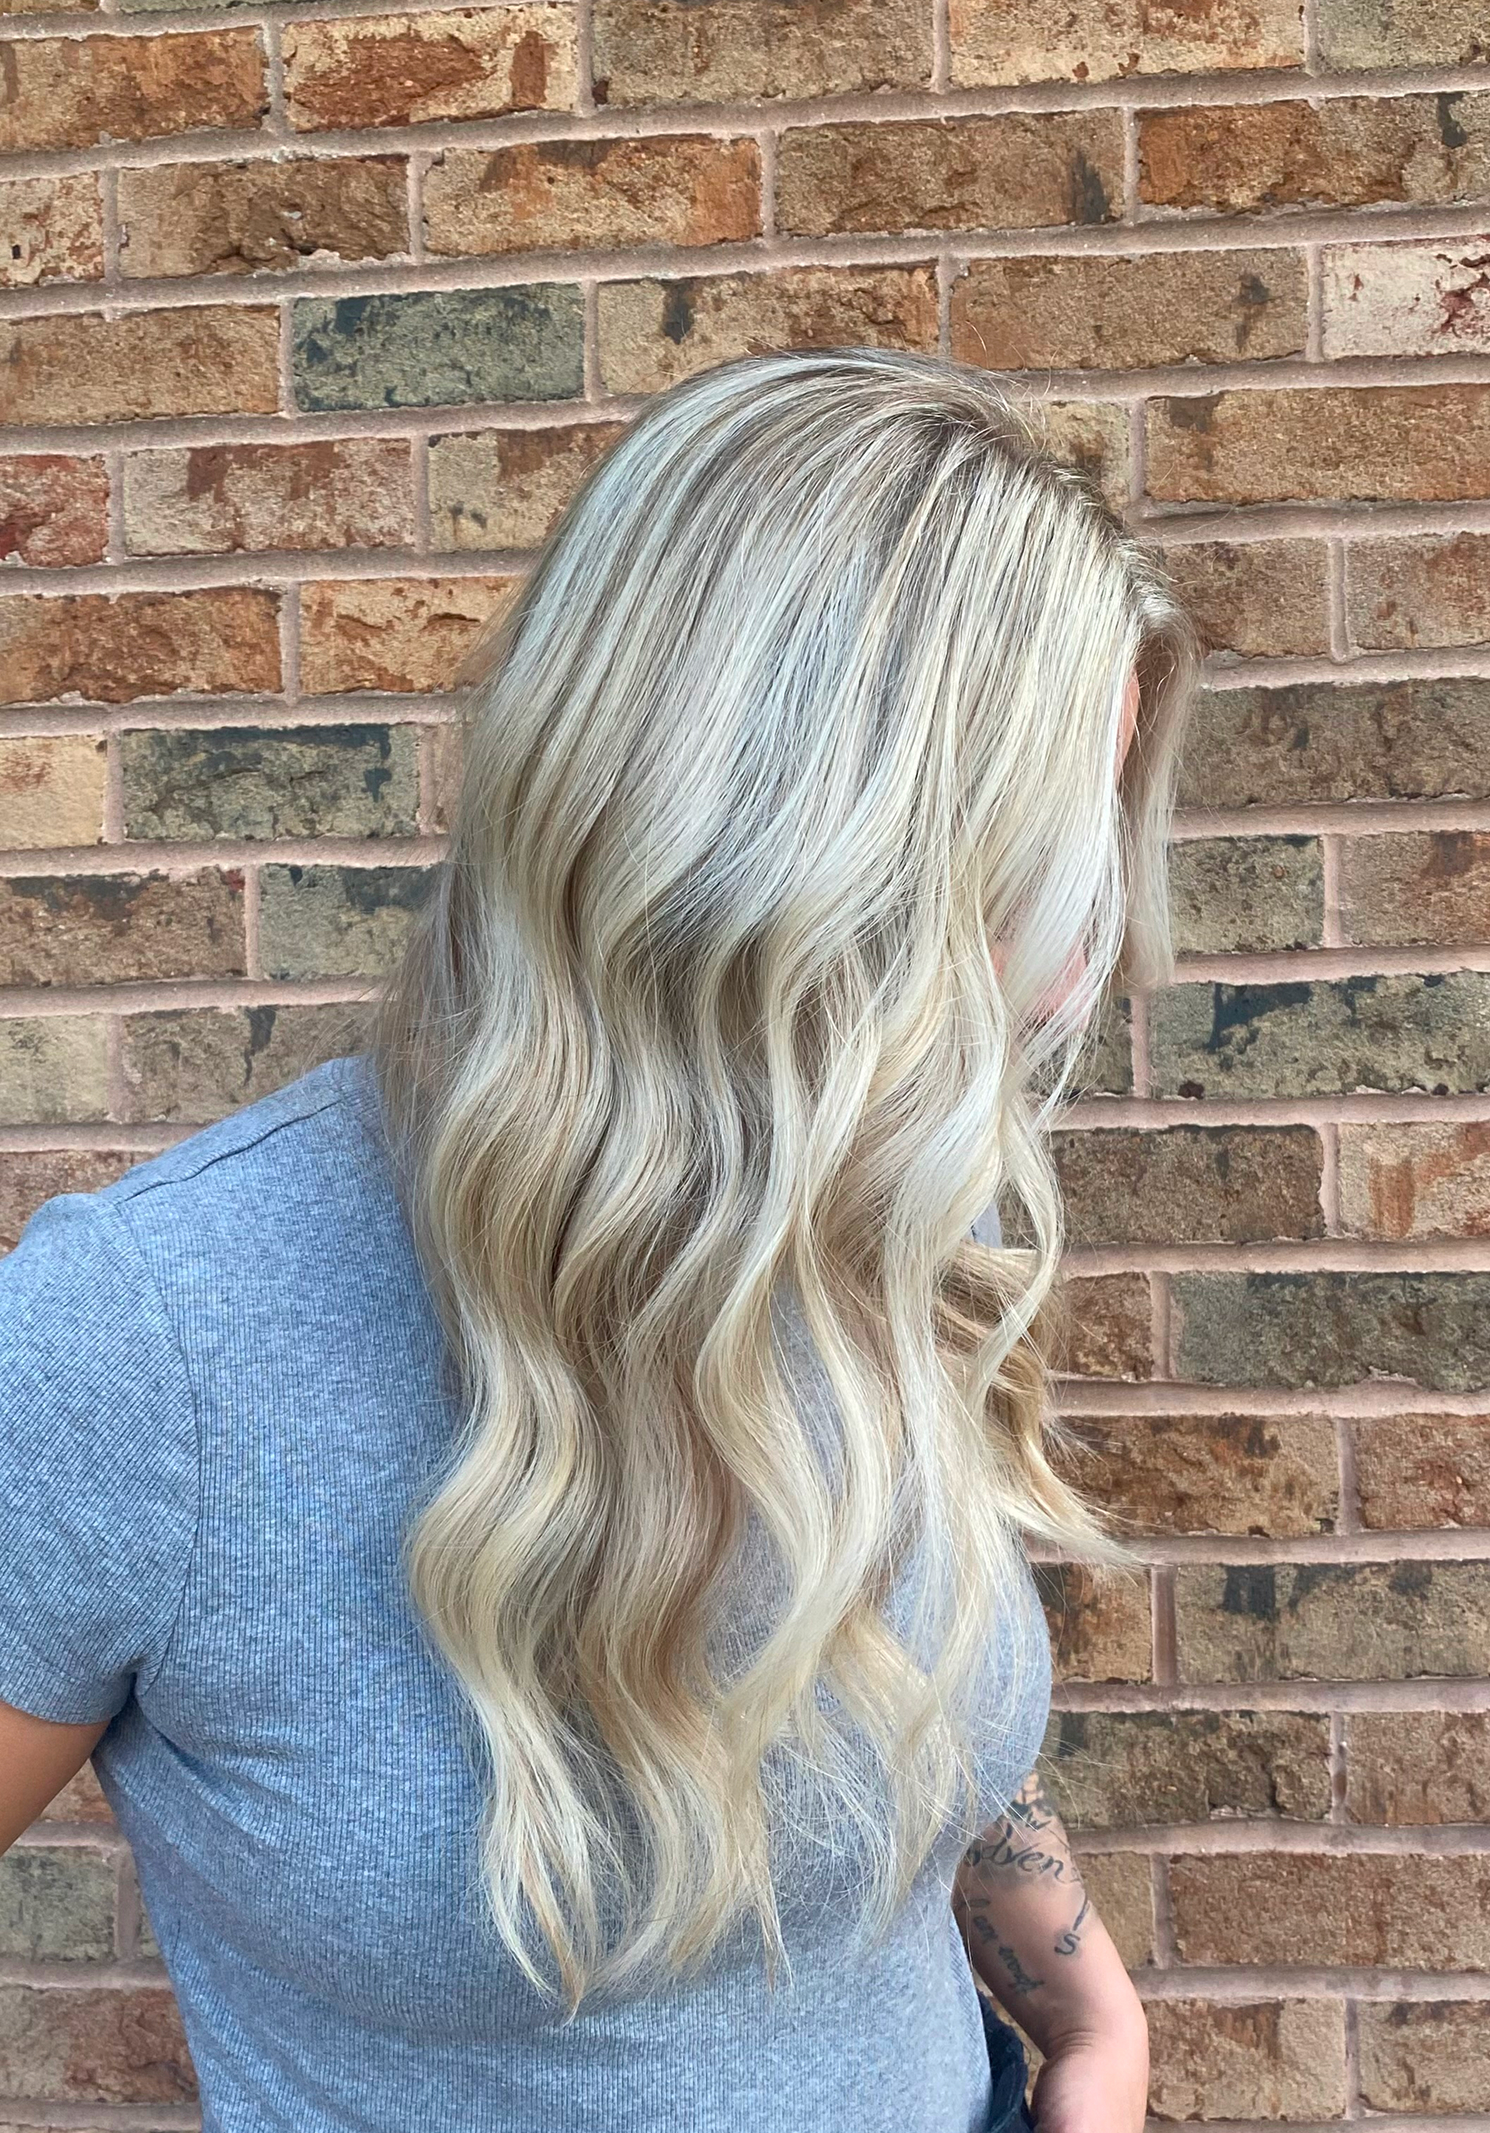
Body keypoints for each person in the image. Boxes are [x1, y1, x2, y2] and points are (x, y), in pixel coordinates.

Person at [0, 346, 1197, 2133]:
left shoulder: (859, 1219)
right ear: (802, 866)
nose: (1091, 952)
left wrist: (1088, 2015)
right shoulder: (142, 1340)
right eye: (1043, 860)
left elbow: (906, 1705)